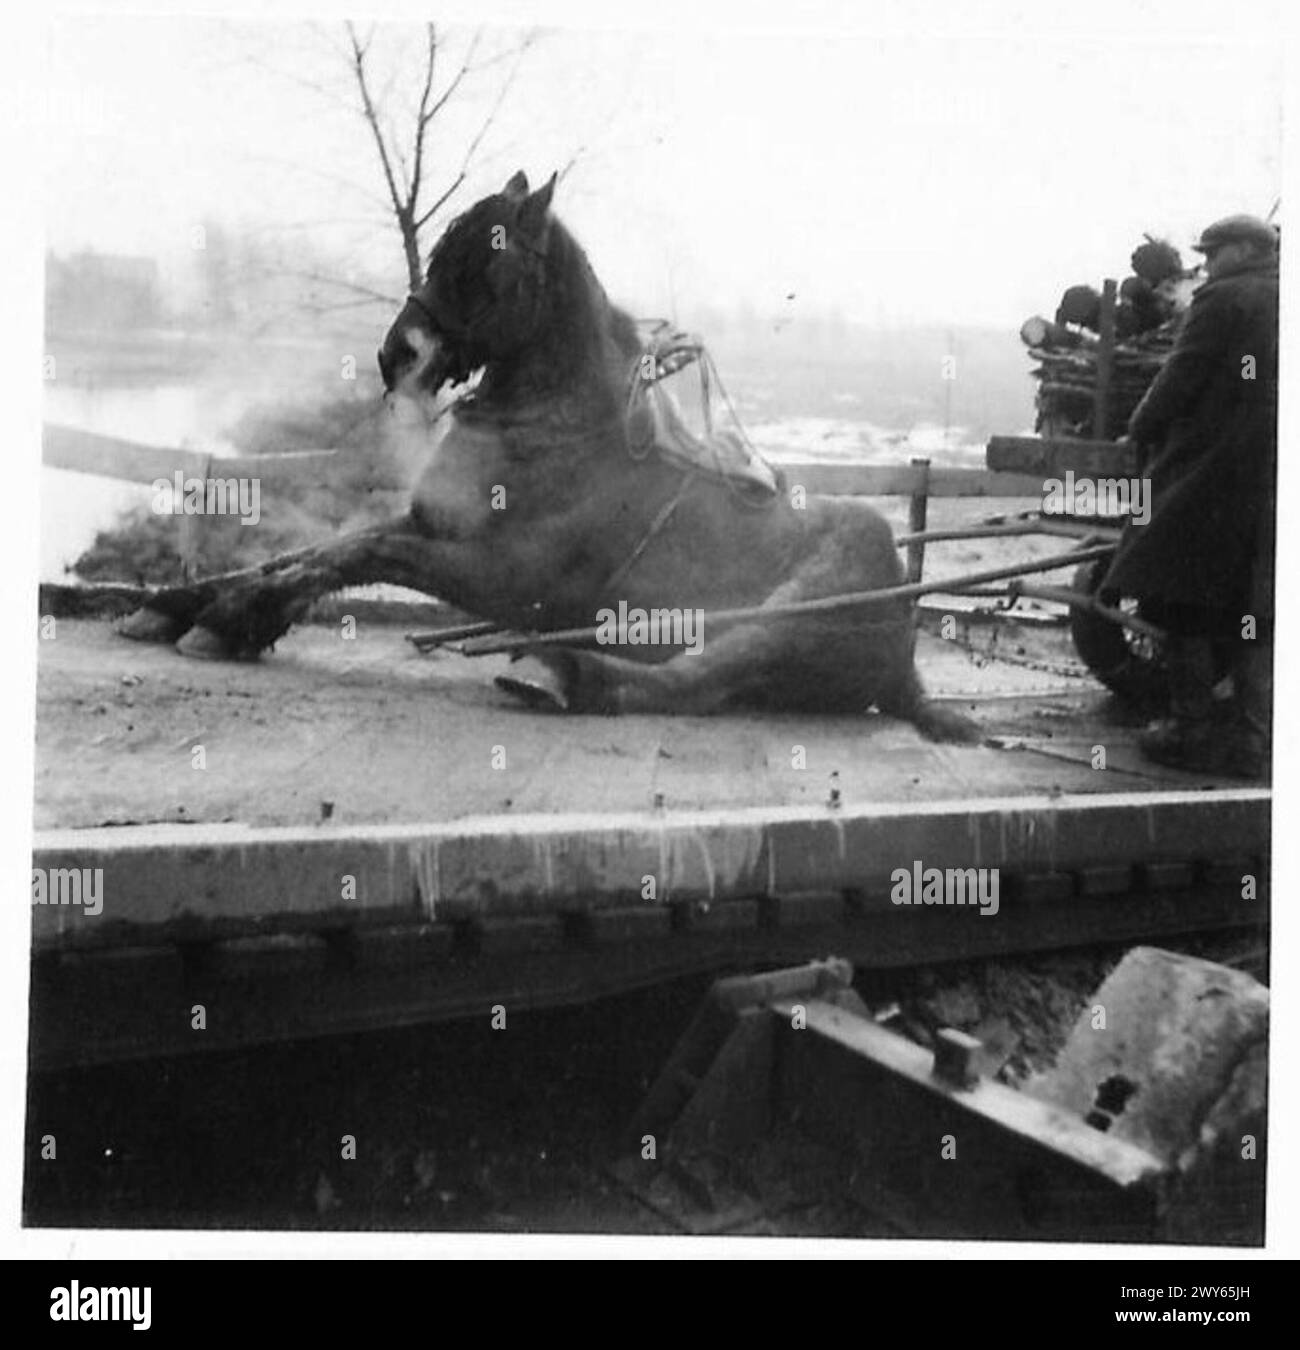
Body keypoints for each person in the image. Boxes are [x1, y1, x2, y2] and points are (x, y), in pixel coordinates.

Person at [1102, 213, 1279, 777]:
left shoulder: (1225, 299)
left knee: (1182, 594)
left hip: (1215, 473)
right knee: (1256, 610)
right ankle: (1256, 742)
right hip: (1271, 480)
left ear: (1247, 248)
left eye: (1215, 251)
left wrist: (1140, 424)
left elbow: (1181, 375)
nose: (1206, 263)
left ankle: (1191, 730)